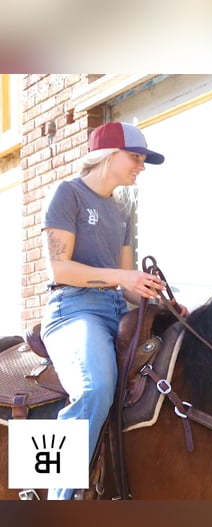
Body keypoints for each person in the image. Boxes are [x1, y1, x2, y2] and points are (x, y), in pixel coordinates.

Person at [41, 121, 188, 500]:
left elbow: (125, 282)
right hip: (72, 311)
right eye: (135, 157)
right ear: (108, 156)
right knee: (96, 388)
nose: (141, 166)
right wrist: (125, 276)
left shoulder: (122, 209)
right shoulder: (68, 194)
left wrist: (159, 302)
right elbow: (59, 269)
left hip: (115, 311)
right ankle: (59, 497)